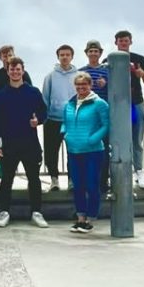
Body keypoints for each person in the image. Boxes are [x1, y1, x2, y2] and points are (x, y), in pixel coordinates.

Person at [0, 58, 49, 227]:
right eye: (12, 69)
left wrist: (37, 121)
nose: (15, 72)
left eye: (18, 69)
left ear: (23, 71)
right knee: (6, 179)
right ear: (7, 71)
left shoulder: (33, 92)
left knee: (34, 179)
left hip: (30, 143)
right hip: (9, 144)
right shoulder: (0, 95)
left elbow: (44, 114)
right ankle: (4, 212)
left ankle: (37, 212)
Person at [63, 73, 110, 233]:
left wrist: (93, 139)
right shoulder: (69, 104)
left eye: (84, 85)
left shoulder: (99, 104)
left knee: (91, 184)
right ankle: (80, 218)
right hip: (74, 151)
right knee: (78, 186)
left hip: (93, 151)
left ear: (90, 85)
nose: (81, 88)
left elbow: (106, 125)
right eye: (78, 85)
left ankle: (90, 218)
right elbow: (65, 122)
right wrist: (65, 135)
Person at [109, 30, 144, 188]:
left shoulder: (139, 59)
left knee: (136, 140)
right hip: (117, 106)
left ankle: (139, 172)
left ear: (130, 42)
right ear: (116, 43)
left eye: (126, 41)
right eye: (120, 41)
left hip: (135, 104)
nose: (123, 43)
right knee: (115, 140)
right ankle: (113, 173)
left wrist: (141, 74)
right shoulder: (109, 59)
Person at [41, 45, 77, 190]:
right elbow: (45, 98)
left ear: (72, 56)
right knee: (51, 152)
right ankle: (54, 180)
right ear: (58, 57)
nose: (64, 57)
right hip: (53, 120)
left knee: (73, 152)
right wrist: (45, 117)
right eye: (62, 55)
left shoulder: (78, 75)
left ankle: (71, 180)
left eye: (67, 54)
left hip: (73, 121)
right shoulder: (50, 76)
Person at [79, 40, 110, 193]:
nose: (93, 54)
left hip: (102, 118)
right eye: (90, 51)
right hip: (86, 118)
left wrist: (107, 84)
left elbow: (116, 92)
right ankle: (86, 183)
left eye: (96, 51)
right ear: (86, 53)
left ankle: (103, 183)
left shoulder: (107, 71)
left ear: (100, 53)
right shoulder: (81, 72)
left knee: (103, 151)